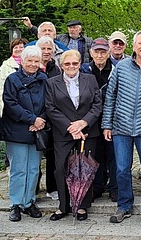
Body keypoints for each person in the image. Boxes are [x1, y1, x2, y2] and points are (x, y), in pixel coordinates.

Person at [102, 31, 141, 225]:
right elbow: (110, 96)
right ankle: (124, 205)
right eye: (140, 43)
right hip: (121, 126)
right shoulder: (120, 67)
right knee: (121, 169)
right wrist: (107, 124)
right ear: (134, 46)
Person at [44, 50, 103, 221]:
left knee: (83, 169)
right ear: (61, 66)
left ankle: (83, 206)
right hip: (64, 132)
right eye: (67, 64)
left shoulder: (90, 80)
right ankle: (63, 206)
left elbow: (98, 104)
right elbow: (50, 107)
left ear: (79, 64)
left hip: (87, 131)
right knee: (61, 168)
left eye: (74, 63)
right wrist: (70, 127)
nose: (71, 67)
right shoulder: (51, 83)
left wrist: (84, 123)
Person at [1, 46, 48, 222]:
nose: (33, 64)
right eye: (30, 60)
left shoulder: (44, 79)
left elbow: (49, 103)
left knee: (34, 169)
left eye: (36, 61)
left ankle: (29, 202)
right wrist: (31, 119)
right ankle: (16, 203)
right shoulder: (12, 80)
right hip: (17, 129)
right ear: (23, 61)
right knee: (18, 169)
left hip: (37, 129)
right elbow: (10, 103)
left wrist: (40, 120)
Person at [81, 38, 118, 203]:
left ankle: (114, 188)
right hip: (91, 118)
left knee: (113, 154)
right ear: (91, 53)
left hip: (113, 118)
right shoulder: (84, 70)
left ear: (108, 52)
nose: (100, 55)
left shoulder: (117, 69)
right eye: (97, 51)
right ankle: (97, 186)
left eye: (103, 51)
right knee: (95, 155)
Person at [35, 36, 61, 201]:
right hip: (34, 118)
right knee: (34, 158)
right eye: (43, 49)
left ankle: (53, 188)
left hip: (51, 118)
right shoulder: (30, 66)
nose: (46, 52)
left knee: (52, 155)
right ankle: (33, 189)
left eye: (48, 49)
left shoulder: (56, 69)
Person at [0, 37, 29, 116]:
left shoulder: (32, 64)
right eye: (15, 47)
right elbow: (0, 86)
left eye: (21, 47)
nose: (18, 49)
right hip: (12, 103)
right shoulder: (6, 65)